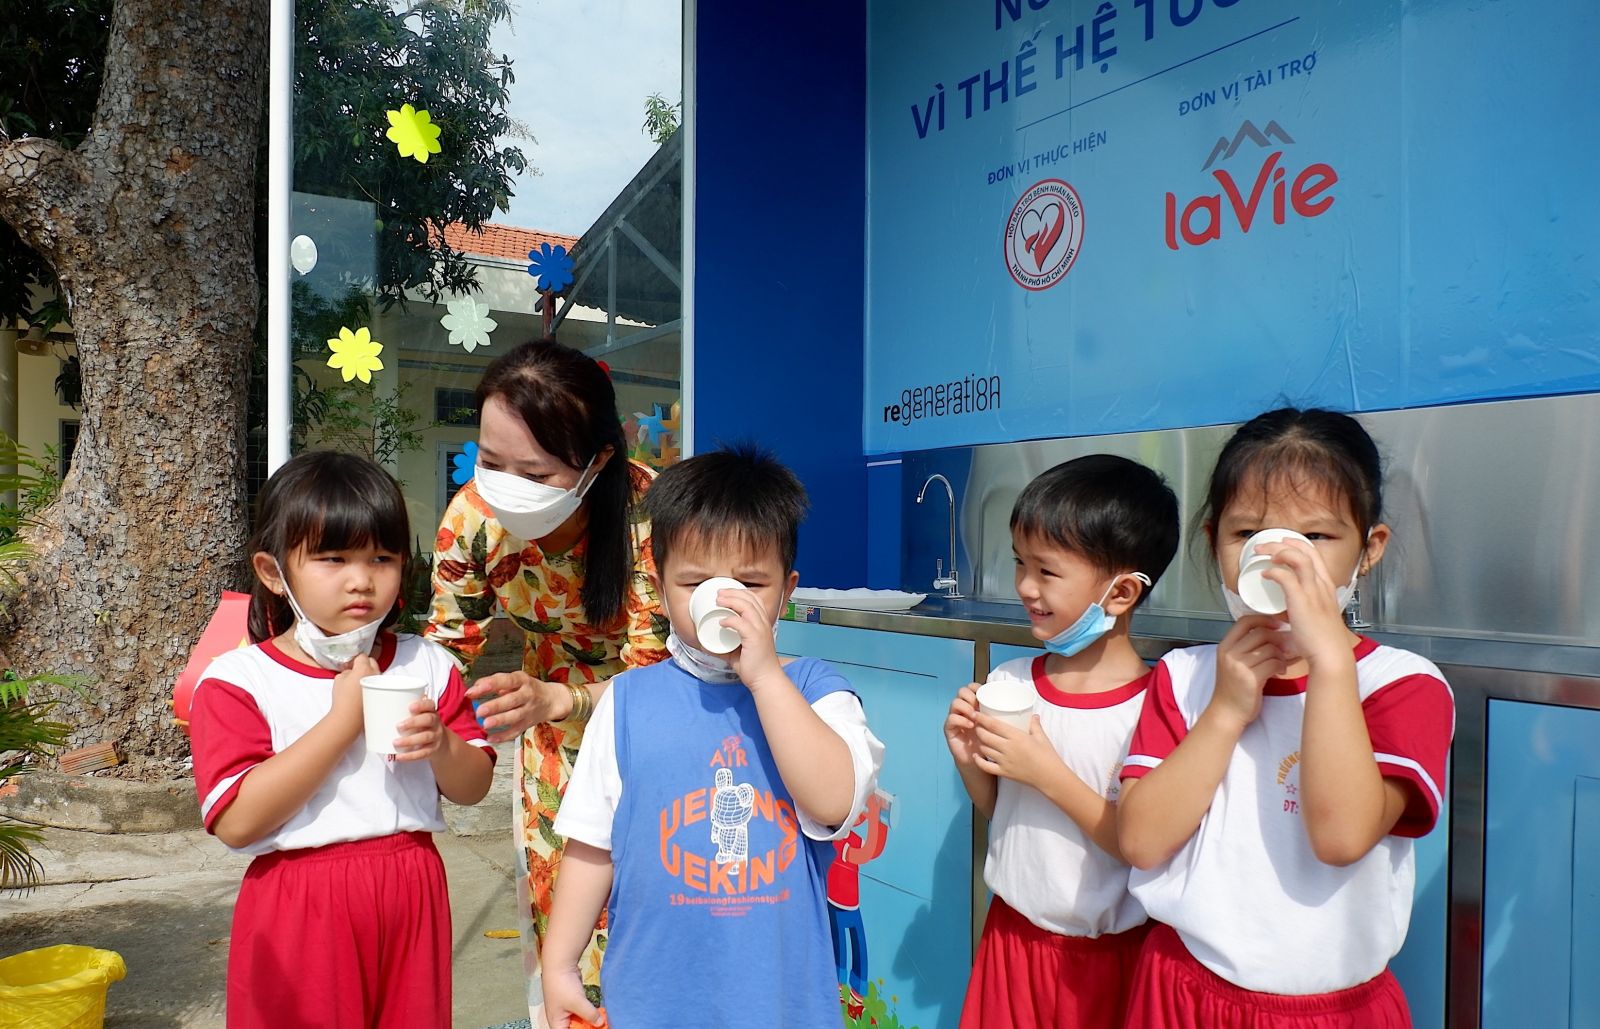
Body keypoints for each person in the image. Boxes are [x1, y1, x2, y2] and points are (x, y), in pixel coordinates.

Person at [1117, 407, 1455, 1028]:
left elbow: (1341, 836)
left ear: (1369, 549)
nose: (1278, 563)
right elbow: (1139, 841)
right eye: (1249, 536)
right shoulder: (1186, 676)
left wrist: (1331, 666)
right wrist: (1224, 711)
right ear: (1215, 541)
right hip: (1181, 989)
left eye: (1316, 539)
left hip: (1331, 1009)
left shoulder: (1401, 685)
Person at [539, 445, 885, 1028]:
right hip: (652, 1001)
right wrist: (559, 965)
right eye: (695, 581)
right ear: (660, 585)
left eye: (751, 582)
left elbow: (833, 799)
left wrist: (767, 677)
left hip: (779, 1005)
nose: (724, 602)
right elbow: (591, 847)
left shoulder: (817, 692)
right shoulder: (626, 702)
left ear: (788, 588)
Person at [189, 451, 496, 1028]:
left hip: (412, 886)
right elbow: (236, 820)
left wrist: (441, 744)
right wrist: (342, 721)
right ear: (274, 572)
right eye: (333, 558)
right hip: (299, 900)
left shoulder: (425, 664)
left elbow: (473, 786)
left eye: (382, 557)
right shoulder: (239, 681)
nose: (361, 579)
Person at [423, 339, 669, 1016]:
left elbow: (659, 675)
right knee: (564, 922)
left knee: (653, 917)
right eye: (491, 461)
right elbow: (445, 649)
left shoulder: (654, 519)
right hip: (552, 746)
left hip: (657, 733)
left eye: (533, 472)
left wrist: (564, 696)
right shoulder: (473, 520)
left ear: (598, 463)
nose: (505, 486)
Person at [946, 455, 1180, 1028]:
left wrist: (1042, 768)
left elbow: (1140, 847)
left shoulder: (1158, 709)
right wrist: (970, 762)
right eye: (1020, 563)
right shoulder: (1011, 683)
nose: (1025, 586)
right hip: (1011, 939)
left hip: (1114, 962)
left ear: (1121, 592)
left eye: (1047, 572)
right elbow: (1005, 813)